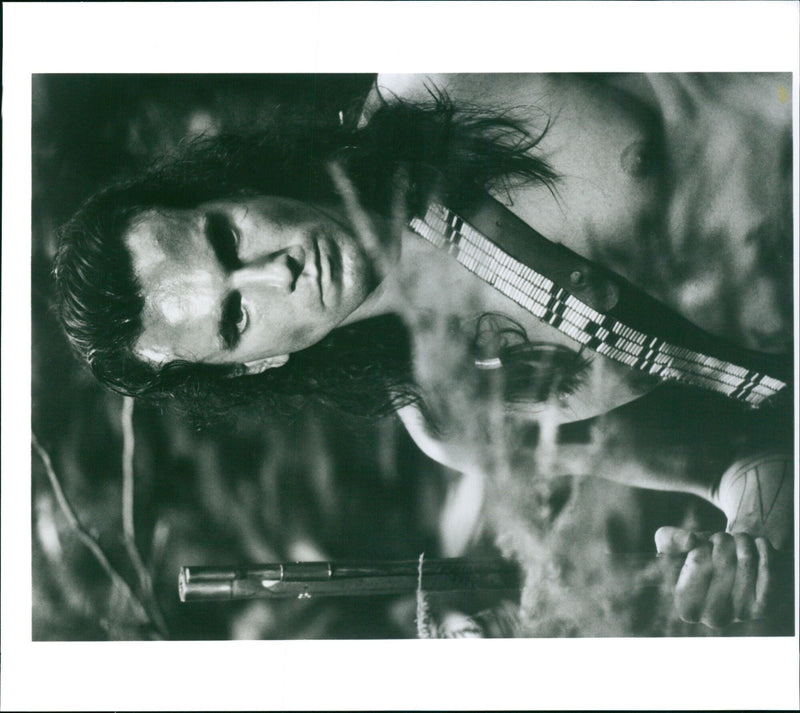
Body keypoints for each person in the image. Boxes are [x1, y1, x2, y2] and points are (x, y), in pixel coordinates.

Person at [54, 73, 794, 632]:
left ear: (227, 188)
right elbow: (740, 457)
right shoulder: (453, 419)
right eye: (237, 315)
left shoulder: (440, 78)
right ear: (255, 364)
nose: (275, 270)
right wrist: (747, 541)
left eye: (227, 239)